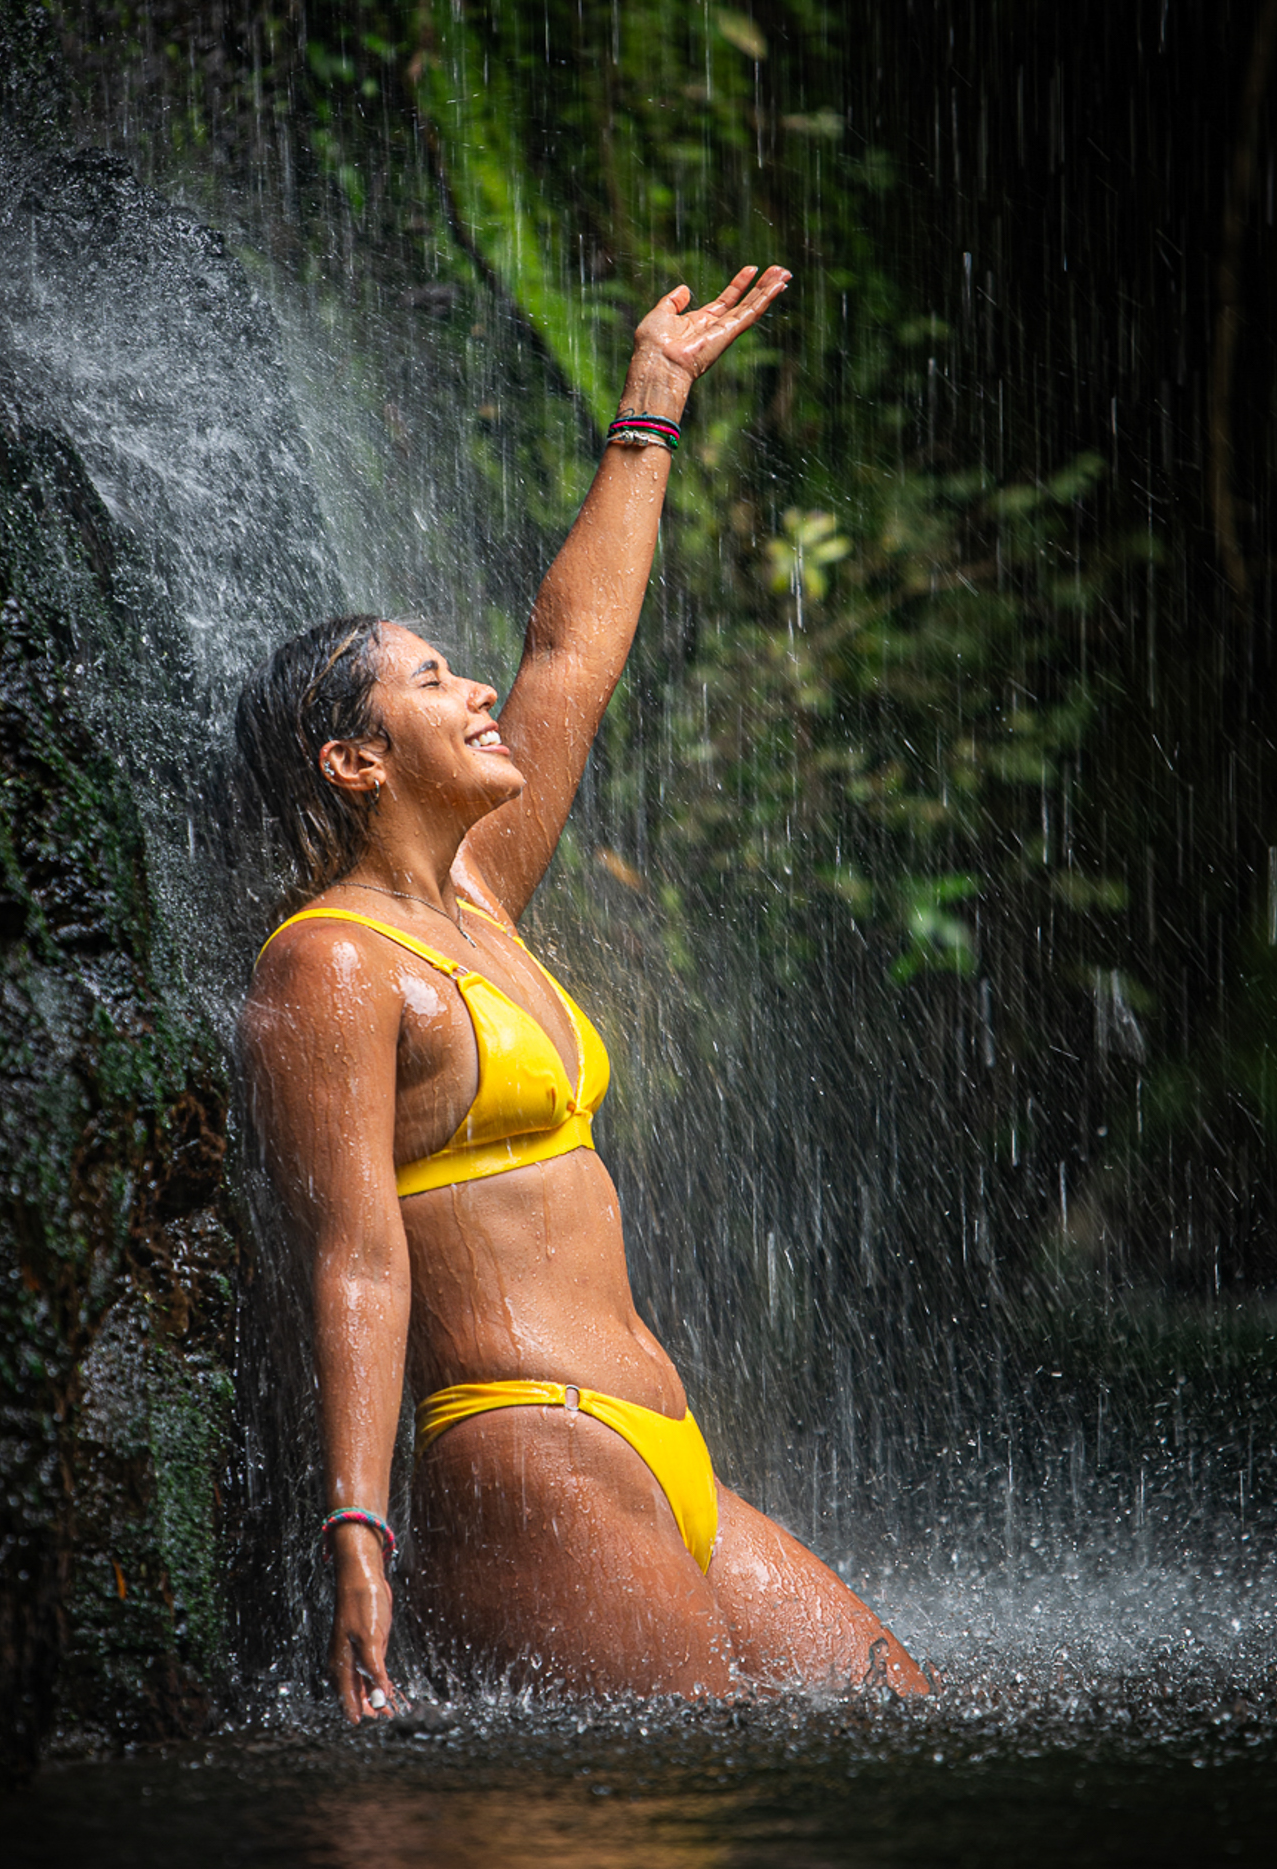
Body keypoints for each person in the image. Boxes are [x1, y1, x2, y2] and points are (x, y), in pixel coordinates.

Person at [238, 266, 931, 1720]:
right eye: (432, 681)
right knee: (653, 1836)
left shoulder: (480, 900)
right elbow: (355, 1263)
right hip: (526, 1445)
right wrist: (358, 1532)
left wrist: (651, 407)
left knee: (906, 1717)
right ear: (355, 761)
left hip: (661, 1444)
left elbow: (571, 654)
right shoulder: (330, 964)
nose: (477, 689)